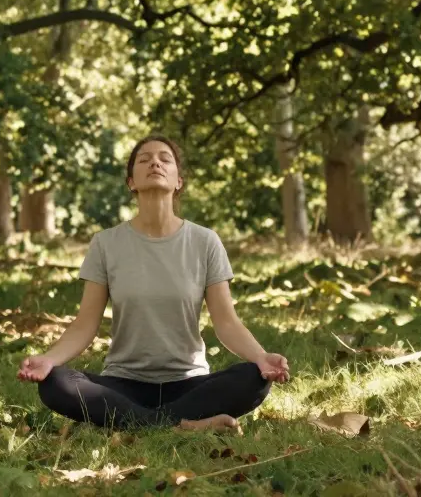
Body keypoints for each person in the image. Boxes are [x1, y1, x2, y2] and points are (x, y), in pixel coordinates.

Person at [17, 135, 289, 432]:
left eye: (165, 159)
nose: (155, 162)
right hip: (123, 384)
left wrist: (261, 358)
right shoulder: (106, 243)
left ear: (179, 181)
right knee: (55, 383)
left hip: (189, 384)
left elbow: (227, 323)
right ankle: (181, 425)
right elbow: (85, 324)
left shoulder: (205, 241)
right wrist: (48, 359)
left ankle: (132, 421)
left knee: (253, 379)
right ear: (131, 182)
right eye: (144, 160)